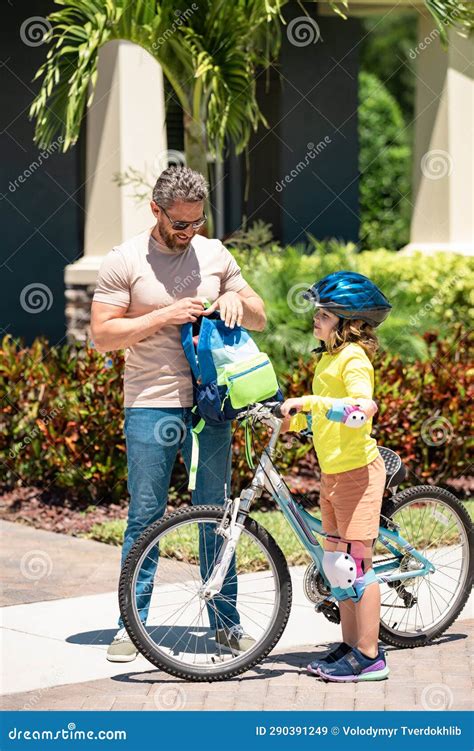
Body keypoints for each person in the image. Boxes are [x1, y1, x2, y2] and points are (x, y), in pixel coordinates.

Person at [90, 166, 266, 662]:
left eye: (196, 221)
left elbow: (260, 313)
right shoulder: (124, 259)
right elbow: (101, 335)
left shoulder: (213, 252)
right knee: (146, 514)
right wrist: (163, 316)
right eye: (179, 224)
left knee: (219, 512)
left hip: (215, 399)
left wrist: (235, 298)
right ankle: (131, 624)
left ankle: (226, 625)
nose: (189, 232)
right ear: (156, 211)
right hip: (151, 399)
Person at [280, 270, 392, 682]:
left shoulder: (353, 358)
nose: (317, 317)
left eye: (325, 313)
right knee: (337, 565)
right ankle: (350, 646)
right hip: (333, 474)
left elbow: (363, 409)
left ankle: (371, 655)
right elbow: (324, 417)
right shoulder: (327, 358)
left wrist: (310, 401)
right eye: (318, 311)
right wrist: (286, 419)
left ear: (349, 322)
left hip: (358, 474)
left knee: (359, 566)